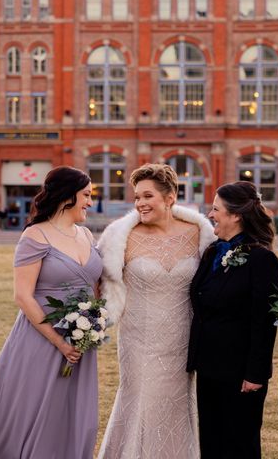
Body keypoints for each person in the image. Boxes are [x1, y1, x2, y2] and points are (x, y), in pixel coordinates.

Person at [0, 166, 102, 459]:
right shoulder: (35, 235)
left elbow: (97, 287)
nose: (91, 202)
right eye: (86, 195)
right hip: (41, 339)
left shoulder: (87, 235)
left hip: (81, 341)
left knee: (76, 415)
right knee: (32, 409)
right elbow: (23, 295)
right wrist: (59, 342)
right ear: (67, 196)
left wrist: (94, 322)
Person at [97, 163, 215, 459]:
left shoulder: (199, 234)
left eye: (147, 196)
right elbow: (99, 284)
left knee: (176, 406)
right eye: (137, 197)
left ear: (170, 197)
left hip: (182, 340)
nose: (140, 204)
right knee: (140, 402)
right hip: (138, 340)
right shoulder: (120, 237)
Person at [187, 181, 278, 459]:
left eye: (216, 209)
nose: (211, 214)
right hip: (208, 367)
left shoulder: (262, 259)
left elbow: (264, 323)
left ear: (236, 215)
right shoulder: (213, 252)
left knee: (239, 444)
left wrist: (255, 374)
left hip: (241, 373)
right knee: (212, 442)